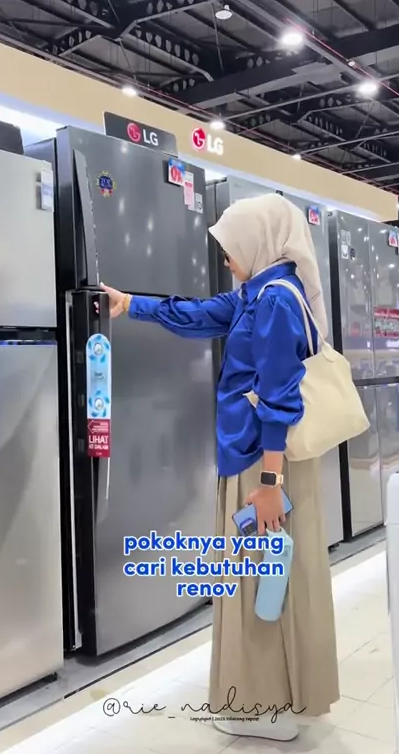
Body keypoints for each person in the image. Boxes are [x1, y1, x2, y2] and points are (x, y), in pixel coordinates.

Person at [101, 193, 339, 742]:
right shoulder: (260, 294)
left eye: (231, 247)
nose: (227, 259)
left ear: (258, 241)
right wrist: (130, 303)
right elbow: (199, 315)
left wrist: (270, 484)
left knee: (262, 581)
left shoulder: (274, 301)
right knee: (264, 578)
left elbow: (278, 398)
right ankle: (267, 698)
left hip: (262, 462)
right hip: (256, 457)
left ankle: (271, 706)